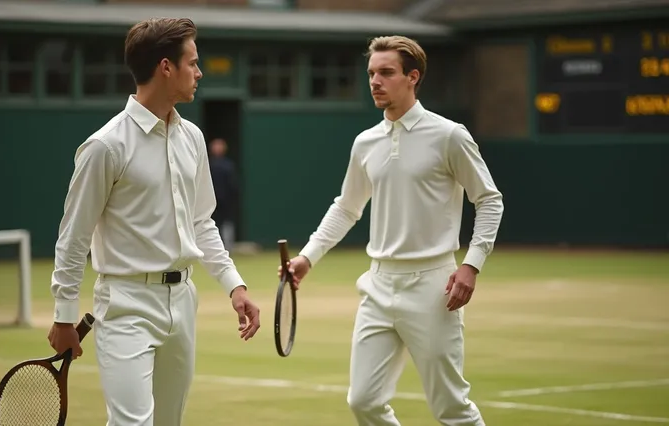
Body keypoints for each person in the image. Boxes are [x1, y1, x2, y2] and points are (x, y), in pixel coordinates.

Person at [47, 17, 261, 426]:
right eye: (193, 63)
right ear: (166, 67)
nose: (199, 72)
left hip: (183, 303)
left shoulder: (193, 138)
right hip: (125, 305)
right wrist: (62, 315)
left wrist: (235, 285)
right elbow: (73, 237)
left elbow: (202, 222)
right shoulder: (105, 146)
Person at [282, 35, 503, 426]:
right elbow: (346, 208)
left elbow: (489, 200)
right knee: (363, 402)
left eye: (386, 72)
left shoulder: (450, 135)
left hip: (435, 288)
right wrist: (307, 258)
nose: (375, 81)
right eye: (371, 73)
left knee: (451, 408)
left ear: (412, 77)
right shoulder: (365, 142)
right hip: (378, 287)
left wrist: (471, 265)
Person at [208, 137, 238, 252]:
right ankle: (214, 249)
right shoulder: (208, 164)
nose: (217, 149)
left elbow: (233, 185)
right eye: (216, 146)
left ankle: (227, 248)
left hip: (226, 201)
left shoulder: (229, 165)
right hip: (210, 201)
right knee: (211, 224)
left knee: (227, 224)